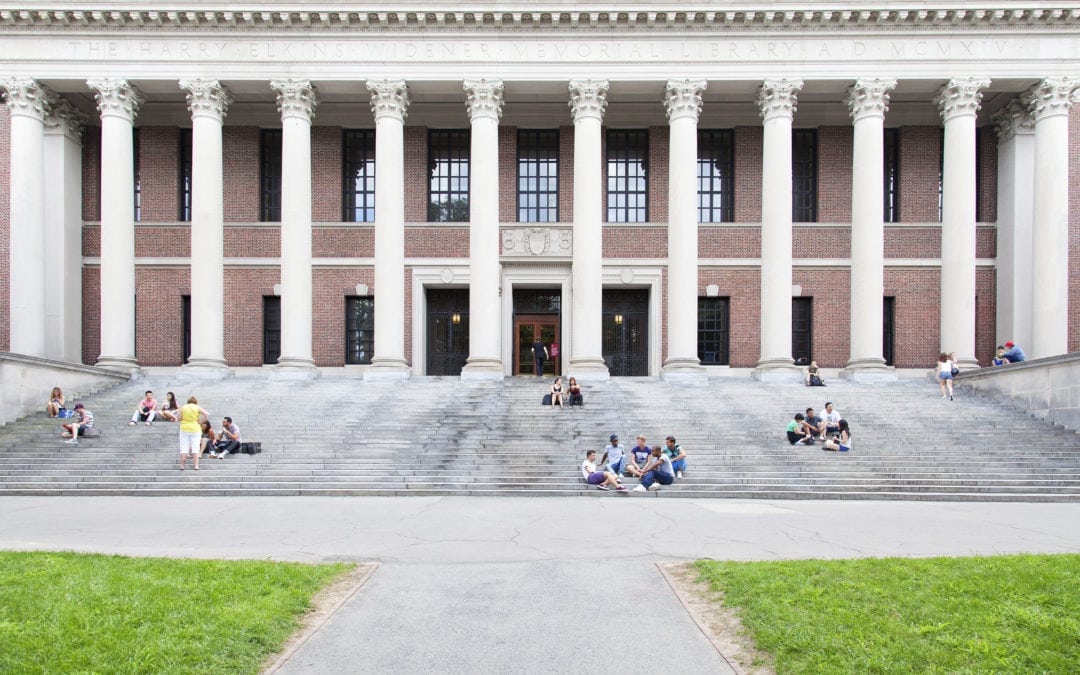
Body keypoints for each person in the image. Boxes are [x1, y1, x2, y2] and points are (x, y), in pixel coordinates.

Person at [178, 396, 210, 470]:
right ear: (196, 402)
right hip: (195, 428)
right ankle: (196, 465)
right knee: (195, 447)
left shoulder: (183, 407)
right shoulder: (197, 407)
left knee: (184, 448)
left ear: (188, 401)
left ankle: (182, 465)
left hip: (184, 428)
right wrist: (200, 421)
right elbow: (206, 415)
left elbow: (179, 418)